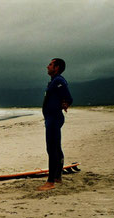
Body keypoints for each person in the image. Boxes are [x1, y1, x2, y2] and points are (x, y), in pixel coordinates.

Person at [38, 58, 73, 191]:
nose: (47, 66)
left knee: (52, 149)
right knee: (55, 148)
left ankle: (50, 181)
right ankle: (57, 177)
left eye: (50, 64)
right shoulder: (54, 81)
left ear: (57, 67)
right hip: (51, 118)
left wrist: (66, 103)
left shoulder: (59, 80)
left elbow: (69, 97)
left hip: (54, 118)